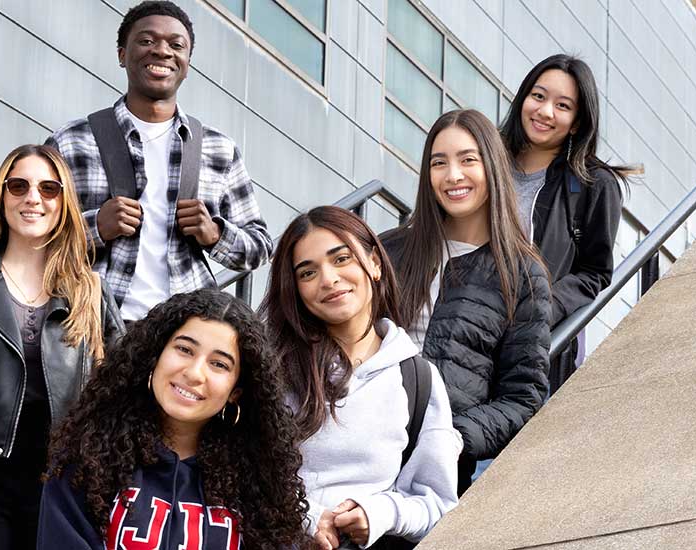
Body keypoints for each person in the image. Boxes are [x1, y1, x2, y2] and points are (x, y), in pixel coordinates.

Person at [47, 0, 273, 323]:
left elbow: (261, 246)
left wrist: (214, 233)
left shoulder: (218, 150)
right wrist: (95, 228)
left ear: (187, 62)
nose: (162, 51)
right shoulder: (71, 141)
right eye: (147, 41)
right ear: (122, 54)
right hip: (91, 324)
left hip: (184, 331)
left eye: (176, 44)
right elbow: (35, 235)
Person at [37, 289, 308, 549]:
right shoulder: (88, 458)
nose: (194, 373)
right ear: (155, 356)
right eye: (185, 349)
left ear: (235, 392)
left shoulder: (260, 488)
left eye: (219, 364)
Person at [262, 206, 461, 549]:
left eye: (341, 259)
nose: (328, 279)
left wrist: (380, 512)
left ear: (375, 263)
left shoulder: (417, 378)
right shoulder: (272, 366)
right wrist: (307, 518)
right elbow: (237, 472)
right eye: (307, 273)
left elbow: (438, 503)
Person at [0, 144, 121, 549]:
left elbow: (122, 382)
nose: (33, 198)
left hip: (60, 484)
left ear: (64, 203)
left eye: (49, 189)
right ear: (1, 196)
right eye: (19, 186)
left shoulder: (89, 292)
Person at [381, 109, 552, 494]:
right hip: (363, 441)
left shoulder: (522, 275)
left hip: (435, 467)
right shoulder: (389, 249)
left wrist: (453, 437)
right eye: (439, 163)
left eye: (467, 160)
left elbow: (522, 397)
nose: (453, 175)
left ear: (492, 166)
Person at [499, 54, 631, 391]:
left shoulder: (593, 184)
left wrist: (541, 309)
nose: (545, 112)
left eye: (562, 105)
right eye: (538, 96)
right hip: (467, 327)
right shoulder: (486, 163)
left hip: (533, 345)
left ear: (576, 121)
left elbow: (595, 272)